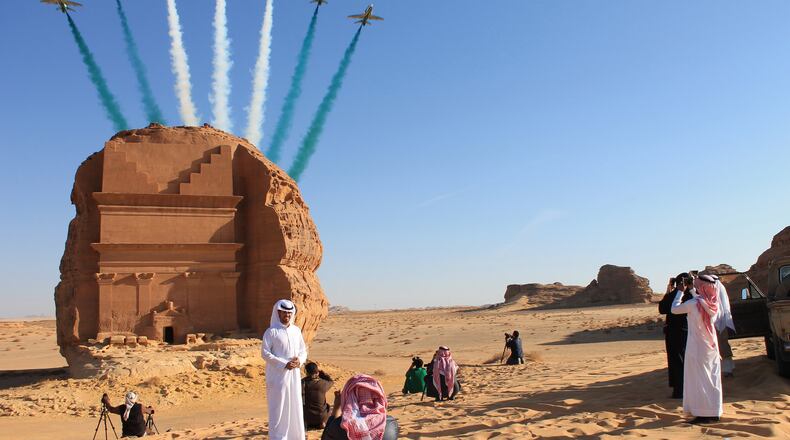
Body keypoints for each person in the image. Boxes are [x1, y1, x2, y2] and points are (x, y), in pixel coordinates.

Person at [671, 274, 723, 424]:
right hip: (711, 347)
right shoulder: (714, 303)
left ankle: (703, 413)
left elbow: (674, 309)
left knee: (699, 379)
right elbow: (703, 302)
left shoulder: (693, 303)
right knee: (712, 378)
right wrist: (694, 290)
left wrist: (680, 291)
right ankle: (714, 411)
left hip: (697, 346)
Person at [261, 299, 308, 439]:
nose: (287, 315)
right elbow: (265, 353)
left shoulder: (296, 331)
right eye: (284, 312)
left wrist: (299, 360)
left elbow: (303, 350)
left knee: (295, 405)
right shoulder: (271, 332)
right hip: (278, 376)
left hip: (294, 374)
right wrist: (283, 364)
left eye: (289, 312)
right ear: (278, 313)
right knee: (278, 408)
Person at [321, 374, 399, 440]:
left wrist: (337, 407)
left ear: (348, 397)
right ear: (379, 396)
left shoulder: (339, 425)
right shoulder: (390, 424)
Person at [658, 273, 693, 398]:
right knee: (683, 360)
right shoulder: (691, 295)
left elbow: (662, 308)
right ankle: (682, 389)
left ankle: (679, 390)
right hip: (686, 331)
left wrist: (670, 290)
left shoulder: (677, 295)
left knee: (676, 361)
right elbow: (662, 309)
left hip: (675, 333)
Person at [303, 361, 334, 429]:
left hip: (307, 417)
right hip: (321, 417)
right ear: (317, 372)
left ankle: (308, 423)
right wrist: (322, 374)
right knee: (329, 407)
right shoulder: (323, 384)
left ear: (306, 372)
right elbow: (331, 381)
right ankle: (322, 423)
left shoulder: (302, 383)